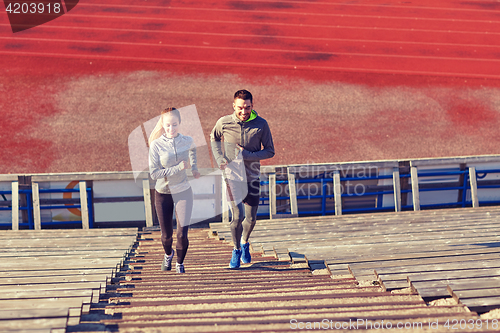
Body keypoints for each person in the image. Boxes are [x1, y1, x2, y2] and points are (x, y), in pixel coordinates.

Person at [210, 89, 275, 268]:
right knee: (236, 217)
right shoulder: (224, 122)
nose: (244, 112)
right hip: (232, 177)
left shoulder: (261, 124)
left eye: (247, 107)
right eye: (240, 108)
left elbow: (270, 150)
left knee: (251, 219)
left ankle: (245, 241)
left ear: (252, 106)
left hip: (252, 176)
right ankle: (236, 249)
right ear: (234, 106)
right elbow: (213, 137)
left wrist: (245, 154)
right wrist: (219, 158)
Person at [149, 107, 200, 273]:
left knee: (182, 234)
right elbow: (154, 173)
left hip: (183, 190)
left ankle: (180, 264)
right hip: (163, 193)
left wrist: (194, 167)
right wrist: (177, 168)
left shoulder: (187, 140)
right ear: (162, 125)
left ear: (180, 123)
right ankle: (168, 254)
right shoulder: (156, 145)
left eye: (175, 124)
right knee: (166, 236)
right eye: (168, 125)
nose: (172, 129)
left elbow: (192, 150)